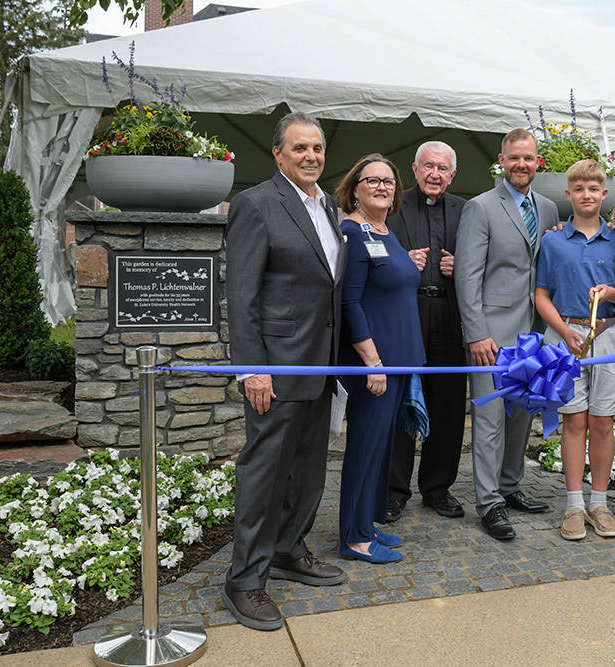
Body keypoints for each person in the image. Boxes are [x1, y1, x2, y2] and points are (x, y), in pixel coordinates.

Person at [222, 112, 348, 631]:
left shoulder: (329, 207)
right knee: (265, 473)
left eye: (317, 148)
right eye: (300, 149)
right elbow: (241, 296)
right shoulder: (257, 203)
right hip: (276, 367)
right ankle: (244, 581)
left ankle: (289, 549)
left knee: (309, 468)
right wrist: (253, 370)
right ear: (278, 154)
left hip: (322, 363)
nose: (311, 156)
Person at [455, 129, 559, 540]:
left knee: (522, 414)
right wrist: (476, 333)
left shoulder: (549, 209)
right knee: (490, 418)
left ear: (538, 162)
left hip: (534, 333)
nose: (521, 165)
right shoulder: (480, 208)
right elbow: (467, 276)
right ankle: (489, 503)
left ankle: (511, 487)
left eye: (528, 158)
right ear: (502, 160)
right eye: (514, 158)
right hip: (491, 336)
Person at [534, 159, 615, 541]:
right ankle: (574, 504)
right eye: (579, 189)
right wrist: (562, 331)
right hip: (566, 338)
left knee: (603, 421)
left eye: (594, 189)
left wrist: (611, 293)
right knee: (573, 421)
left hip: (609, 335)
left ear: (604, 194)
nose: (587, 195)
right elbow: (541, 294)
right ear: (568, 195)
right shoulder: (553, 240)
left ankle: (600, 502)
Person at [335, 154, 426, 563]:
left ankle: (368, 526)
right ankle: (353, 539)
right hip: (377, 363)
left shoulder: (384, 232)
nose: (382, 186)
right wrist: (372, 362)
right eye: (371, 180)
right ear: (355, 188)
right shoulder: (353, 232)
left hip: (401, 361)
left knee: (381, 449)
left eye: (388, 181)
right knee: (364, 447)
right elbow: (350, 301)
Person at [386, 141, 468, 522]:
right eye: (429, 167)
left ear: (453, 175)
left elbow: (480, 259)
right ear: (415, 170)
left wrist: (460, 269)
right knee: (402, 400)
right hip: (407, 314)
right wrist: (401, 261)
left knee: (448, 404)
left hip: (449, 315)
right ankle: (394, 491)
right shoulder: (391, 203)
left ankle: (437, 488)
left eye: (443, 168)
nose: (435, 175)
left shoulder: (466, 210)